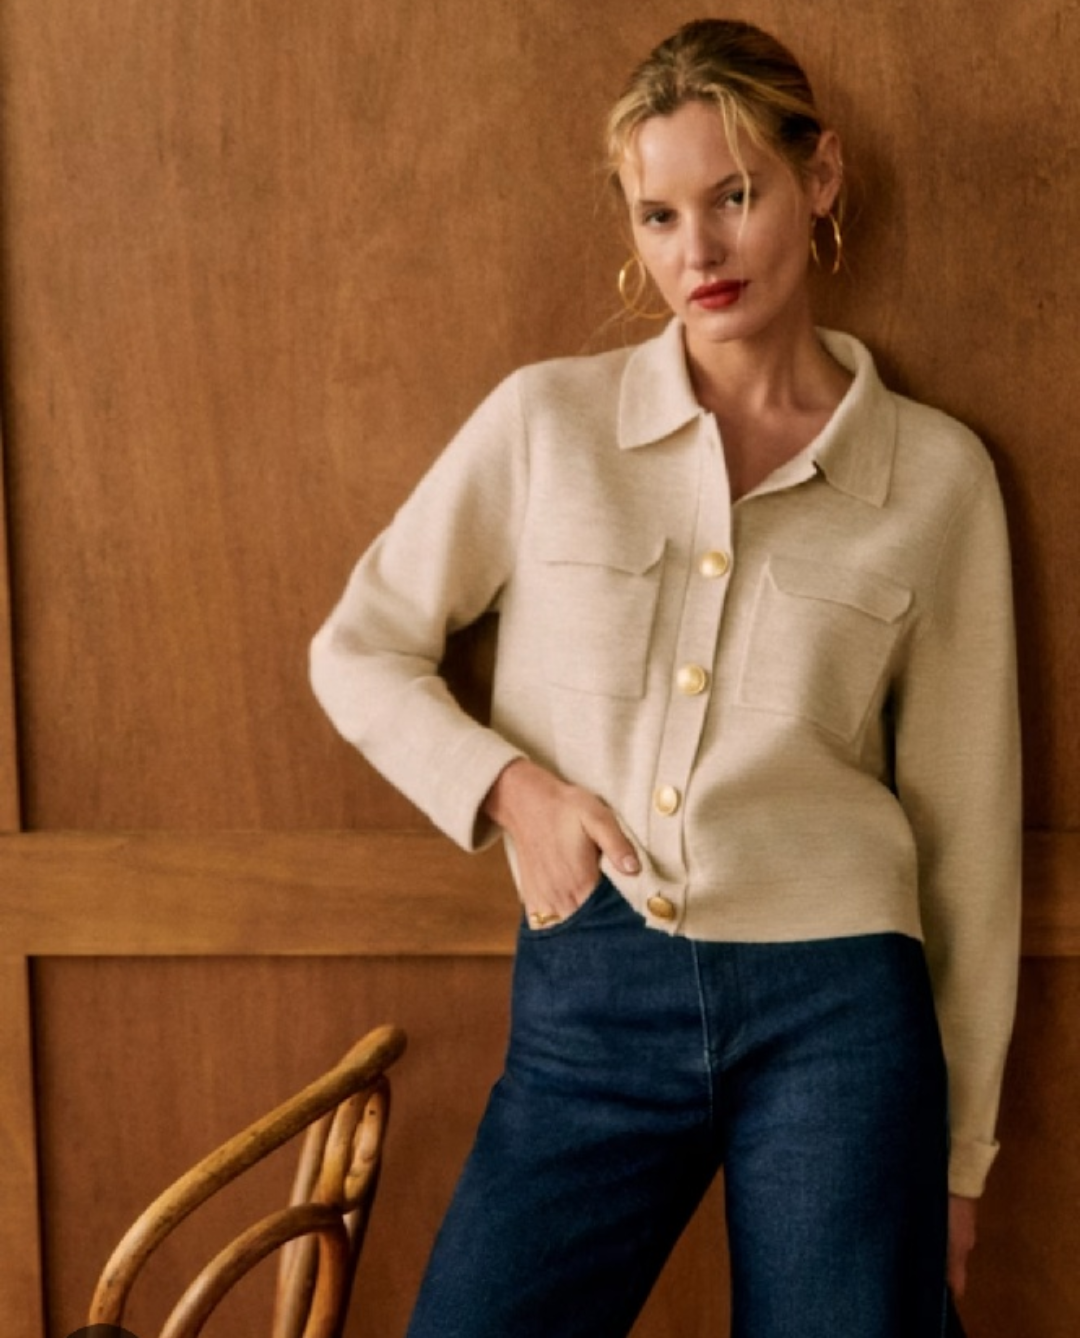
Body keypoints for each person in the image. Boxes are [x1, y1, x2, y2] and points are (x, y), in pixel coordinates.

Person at [310, 18, 1020, 1337]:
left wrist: (960, 1161)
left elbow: (970, 841)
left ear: (820, 178)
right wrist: (511, 790)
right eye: (659, 214)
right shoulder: (547, 425)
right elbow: (359, 646)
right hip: (592, 982)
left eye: (734, 196)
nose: (698, 251)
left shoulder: (935, 477)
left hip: (840, 1018)